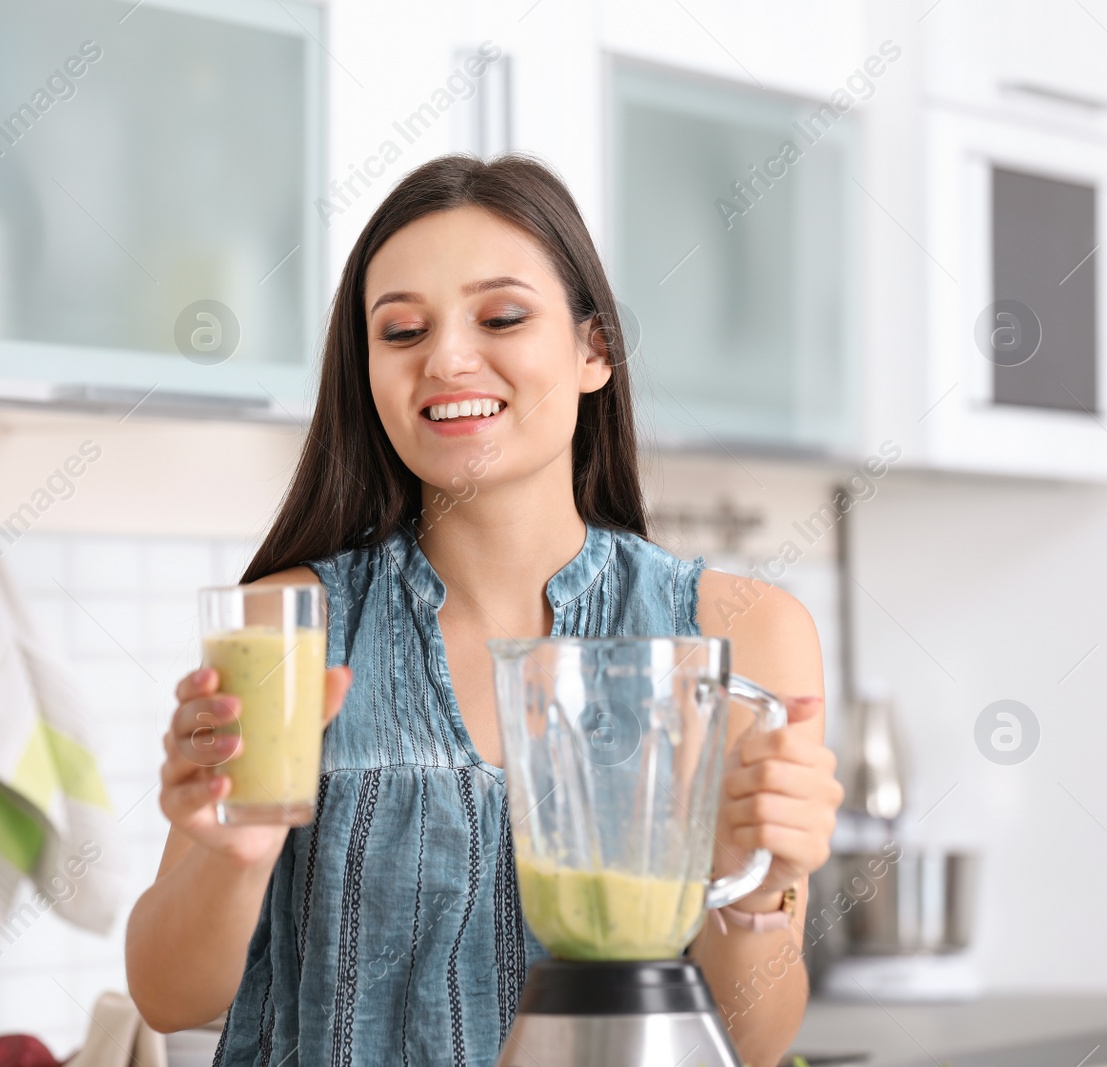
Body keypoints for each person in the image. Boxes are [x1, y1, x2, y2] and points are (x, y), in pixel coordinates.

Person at [126, 154, 843, 1067]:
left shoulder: (741, 633)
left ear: (594, 352)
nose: (447, 358)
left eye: (501, 316)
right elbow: (168, 995)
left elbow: (750, 1041)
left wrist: (752, 892)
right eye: (400, 331)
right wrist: (233, 854)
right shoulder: (288, 624)